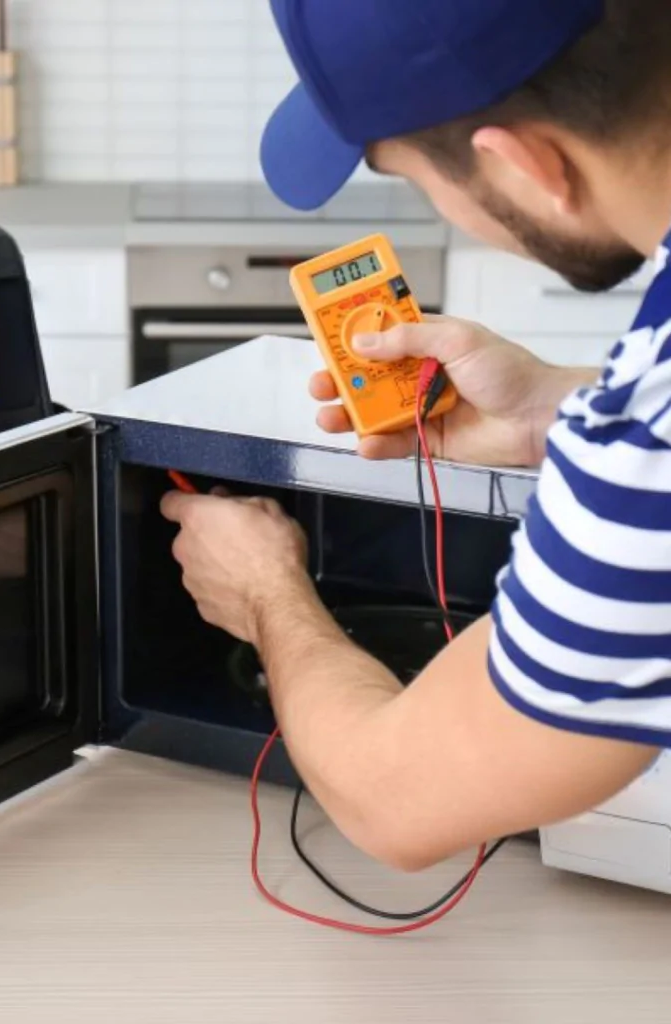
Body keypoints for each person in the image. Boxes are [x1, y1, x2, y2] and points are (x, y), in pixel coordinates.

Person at [160, 0, 671, 873]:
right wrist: (550, 411)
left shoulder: (649, 441)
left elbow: (394, 800)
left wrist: (264, 593)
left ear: (525, 166)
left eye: (416, 182)